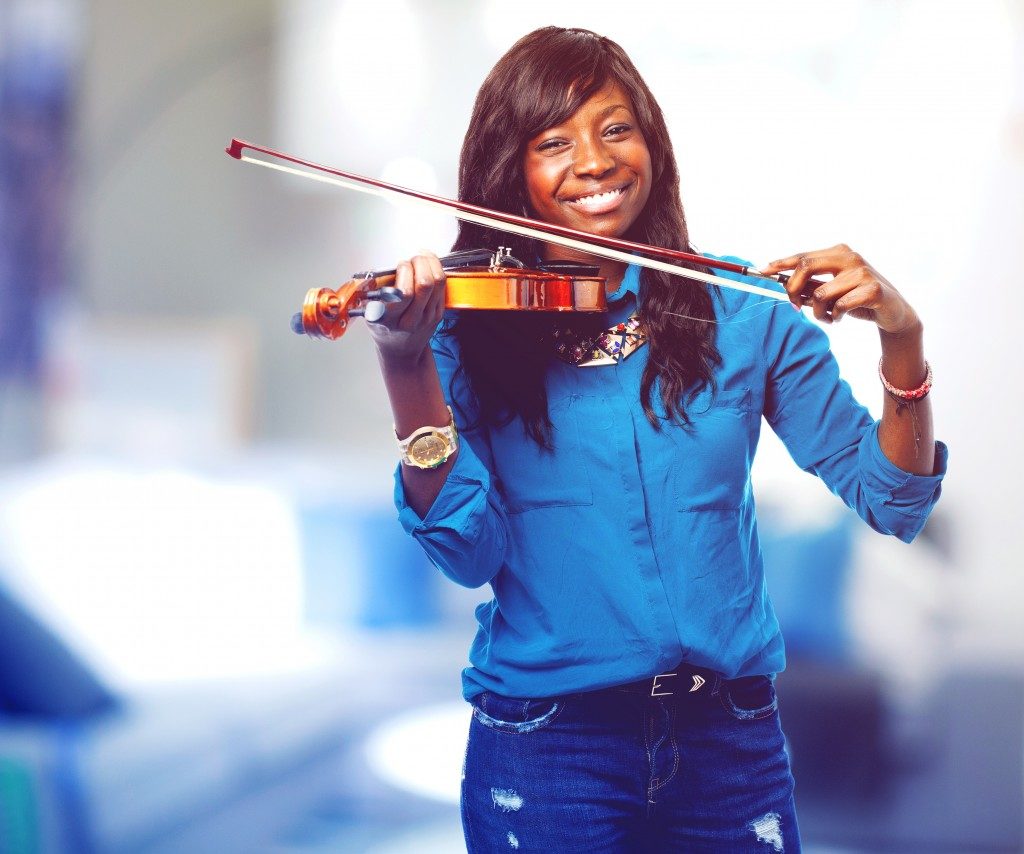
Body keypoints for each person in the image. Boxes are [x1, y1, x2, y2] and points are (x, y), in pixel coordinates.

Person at [365, 26, 946, 853]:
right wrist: (405, 364)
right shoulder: (465, 330)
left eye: (615, 128)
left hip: (730, 744)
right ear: (511, 172)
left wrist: (902, 335)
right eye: (553, 142)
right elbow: (466, 551)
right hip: (548, 748)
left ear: (651, 143)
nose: (594, 161)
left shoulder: (742, 310)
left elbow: (895, 501)